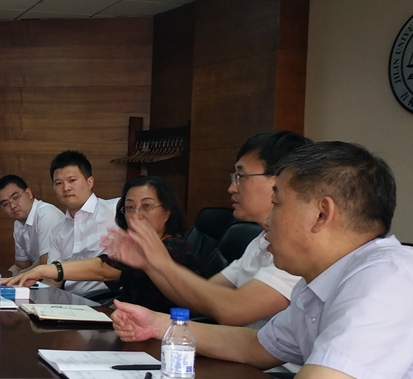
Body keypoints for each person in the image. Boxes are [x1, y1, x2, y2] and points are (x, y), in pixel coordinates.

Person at [112, 142, 413, 379]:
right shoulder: (315, 284)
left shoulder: (390, 275)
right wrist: (158, 325)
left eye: (277, 204)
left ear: (321, 214)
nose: (268, 221)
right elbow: (257, 346)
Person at [105, 130, 311, 327]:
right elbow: (200, 299)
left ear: (279, 181)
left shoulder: (300, 250)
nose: (232, 188)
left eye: (241, 177)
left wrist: (163, 262)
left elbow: (234, 309)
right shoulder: (259, 242)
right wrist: (150, 265)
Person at [7, 176, 195, 312]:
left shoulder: (175, 249)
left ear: (167, 212)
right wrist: (42, 270)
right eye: (130, 207)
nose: (136, 214)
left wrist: (44, 270)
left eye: (147, 206)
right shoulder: (136, 248)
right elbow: (103, 265)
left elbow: (102, 270)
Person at [45, 150, 120, 299]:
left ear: (90, 182)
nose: (66, 188)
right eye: (58, 183)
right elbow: (52, 280)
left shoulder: (116, 210)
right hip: (71, 300)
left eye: (72, 180)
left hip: (110, 299)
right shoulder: (57, 231)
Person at [0, 174, 64, 274]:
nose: (12, 206)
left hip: (64, 279)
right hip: (42, 277)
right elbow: (21, 265)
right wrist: (2, 278)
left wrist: (18, 276)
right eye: (5, 204)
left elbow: (47, 264)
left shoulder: (46, 215)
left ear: (29, 193)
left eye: (16, 197)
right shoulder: (18, 224)